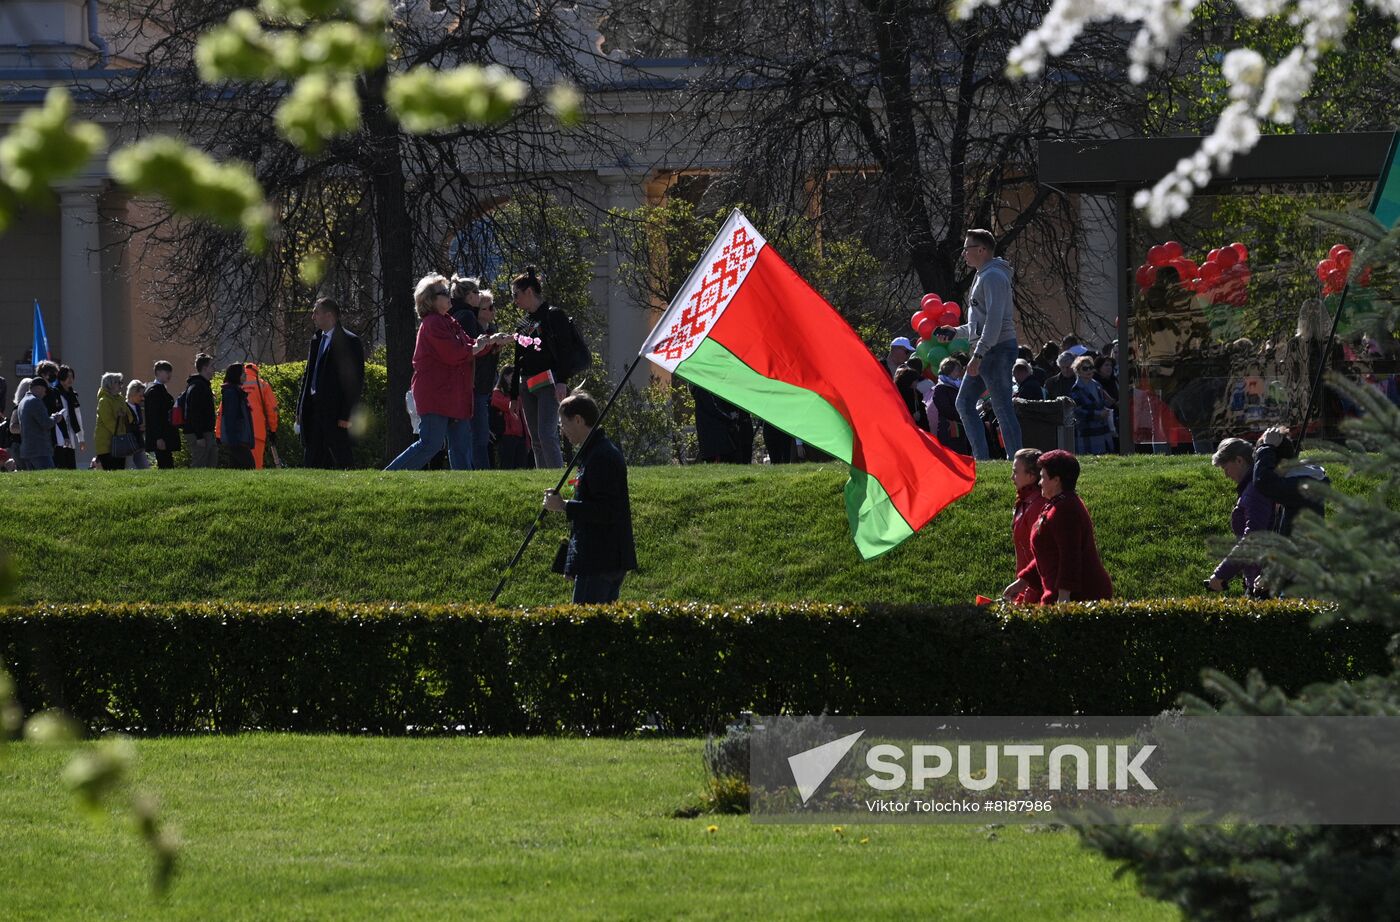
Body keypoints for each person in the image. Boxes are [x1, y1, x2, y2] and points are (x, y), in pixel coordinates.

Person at [386, 274, 509, 471]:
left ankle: (465, 488)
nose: (448, 295)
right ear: (430, 300)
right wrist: (477, 347)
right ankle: (389, 476)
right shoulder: (432, 323)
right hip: (437, 393)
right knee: (430, 444)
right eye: (443, 293)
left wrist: (491, 341)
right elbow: (452, 353)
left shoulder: (448, 320)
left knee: (461, 445)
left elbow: (469, 344)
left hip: (454, 394)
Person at [541, 391, 637, 604]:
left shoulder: (602, 456)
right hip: (596, 557)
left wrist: (564, 505)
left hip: (601, 559)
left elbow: (606, 511)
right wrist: (572, 562)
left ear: (578, 420)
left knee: (584, 632)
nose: (562, 431)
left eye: (563, 424)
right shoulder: (592, 454)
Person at [1001, 449, 1113, 604]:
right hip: (1062, 593)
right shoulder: (1058, 504)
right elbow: (1047, 553)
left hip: (1081, 596)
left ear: (1056, 480)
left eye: (1042, 477)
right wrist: (1023, 582)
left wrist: (1063, 598)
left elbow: (1069, 556)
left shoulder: (1066, 509)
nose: (1039, 483)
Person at [953, 229, 1023, 460]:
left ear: (981, 250)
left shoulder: (993, 276)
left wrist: (979, 354)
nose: (964, 253)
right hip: (988, 350)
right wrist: (954, 332)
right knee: (964, 403)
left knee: (1002, 407)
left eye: (967, 248)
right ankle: (981, 460)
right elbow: (980, 324)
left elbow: (994, 321)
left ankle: (1017, 461)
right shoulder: (984, 274)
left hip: (996, 350)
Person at [510, 266, 589, 469]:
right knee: (535, 437)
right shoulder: (522, 322)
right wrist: (513, 395)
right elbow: (518, 358)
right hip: (526, 383)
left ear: (529, 291)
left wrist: (562, 381)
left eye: (516, 295)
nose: (515, 300)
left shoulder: (555, 315)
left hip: (548, 382)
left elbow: (564, 351)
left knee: (547, 433)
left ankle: (555, 476)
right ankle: (542, 477)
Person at [297, 297, 365, 469]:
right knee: (312, 460)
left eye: (316, 313)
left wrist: (346, 414)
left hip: (335, 413)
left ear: (329, 315)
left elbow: (354, 382)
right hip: (313, 409)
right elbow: (308, 376)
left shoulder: (350, 341)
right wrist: (300, 407)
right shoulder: (316, 339)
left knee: (341, 459)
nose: (313, 317)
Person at [1204, 438, 1275, 596]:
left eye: (1225, 468)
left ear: (1239, 460)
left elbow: (1253, 538)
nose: (1226, 475)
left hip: (1263, 581)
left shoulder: (1253, 492)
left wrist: (1220, 575)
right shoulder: (1252, 487)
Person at [1253, 426, 1327, 537]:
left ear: (1283, 463)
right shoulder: (1298, 480)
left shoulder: (1301, 487)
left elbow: (1264, 482)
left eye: (1270, 468)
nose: (1270, 473)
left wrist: (1267, 447)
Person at [1009, 448, 1047, 604]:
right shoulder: (1025, 501)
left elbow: (1040, 555)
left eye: (1016, 472)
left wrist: (1028, 594)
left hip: (1035, 588)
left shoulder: (1037, 504)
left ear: (1031, 476)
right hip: (1026, 585)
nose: (1012, 477)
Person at [470, 290, 502, 469]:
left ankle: (481, 470)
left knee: (482, 434)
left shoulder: (492, 330)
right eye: (488, 308)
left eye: (493, 306)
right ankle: (481, 471)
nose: (493, 310)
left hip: (486, 388)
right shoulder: (475, 332)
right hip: (476, 388)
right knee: (479, 435)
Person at [16, 376, 64, 470]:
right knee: (49, 479)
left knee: (35, 482)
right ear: (39, 387)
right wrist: (55, 417)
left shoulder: (22, 402)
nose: (45, 394)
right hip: (39, 450)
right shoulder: (35, 401)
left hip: (27, 451)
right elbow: (46, 423)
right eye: (45, 390)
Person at [1070, 355, 1114, 455]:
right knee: (1090, 459)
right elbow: (1077, 411)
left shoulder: (1097, 385)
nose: (1089, 370)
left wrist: (1107, 405)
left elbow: (1101, 403)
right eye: (1085, 368)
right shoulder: (1076, 389)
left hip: (1102, 429)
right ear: (1078, 371)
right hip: (1087, 431)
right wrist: (1097, 414)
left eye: (1091, 367)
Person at [491, 368, 532, 469]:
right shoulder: (497, 392)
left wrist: (527, 439)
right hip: (507, 436)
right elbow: (506, 405)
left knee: (521, 467)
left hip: (521, 436)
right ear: (505, 376)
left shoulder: (518, 393)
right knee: (507, 466)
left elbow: (523, 416)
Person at [183, 353, 219, 468]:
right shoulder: (197, 386)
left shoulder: (203, 385)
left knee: (211, 463)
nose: (214, 369)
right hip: (200, 433)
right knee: (199, 464)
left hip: (206, 431)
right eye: (212, 366)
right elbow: (194, 413)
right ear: (204, 368)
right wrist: (199, 436)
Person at [241, 363, 280, 470]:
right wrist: (273, 430)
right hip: (257, 431)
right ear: (256, 372)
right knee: (256, 465)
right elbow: (272, 409)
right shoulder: (262, 384)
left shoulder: (236, 383)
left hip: (240, 432)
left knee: (241, 467)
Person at [218, 364, 256, 469]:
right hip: (237, 439)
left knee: (238, 468)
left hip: (239, 439)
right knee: (249, 466)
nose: (245, 376)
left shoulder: (236, 392)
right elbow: (230, 418)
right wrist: (233, 440)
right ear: (237, 375)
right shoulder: (232, 393)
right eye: (243, 373)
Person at [144, 361, 180, 469]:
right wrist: (158, 437)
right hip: (161, 435)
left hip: (165, 434)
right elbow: (154, 417)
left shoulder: (160, 390)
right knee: (165, 464)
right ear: (158, 372)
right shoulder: (154, 391)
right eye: (166, 371)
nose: (169, 375)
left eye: (170, 372)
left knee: (167, 462)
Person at [93, 372, 131, 471]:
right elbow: (109, 422)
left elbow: (129, 416)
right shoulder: (104, 401)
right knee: (111, 472)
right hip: (106, 444)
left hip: (120, 442)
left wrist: (124, 415)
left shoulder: (120, 399)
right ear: (110, 385)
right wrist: (121, 434)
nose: (121, 385)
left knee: (120, 471)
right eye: (118, 383)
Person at [932, 357, 970, 454]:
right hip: (949, 429)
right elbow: (946, 409)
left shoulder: (956, 385)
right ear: (949, 371)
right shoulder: (940, 388)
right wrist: (962, 415)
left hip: (959, 427)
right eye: (957, 370)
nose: (960, 372)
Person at [52, 365, 85, 469]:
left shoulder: (72, 395)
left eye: (72, 376)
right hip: (58, 435)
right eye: (67, 376)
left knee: (71, 467)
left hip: (70, 434)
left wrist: (81, 438)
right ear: (61, 377)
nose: (70, 379)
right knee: (60, 465)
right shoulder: (54, 392)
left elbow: (78, 417)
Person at [125, 380, 151, 470]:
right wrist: (138, 428)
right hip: (128, 443)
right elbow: (124, 425)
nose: (142, 398)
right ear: (133, 393)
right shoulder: (124, 407)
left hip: (138, 442)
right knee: (129, 467)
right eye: (140, 395)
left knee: (145, 467)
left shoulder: (138, 407)